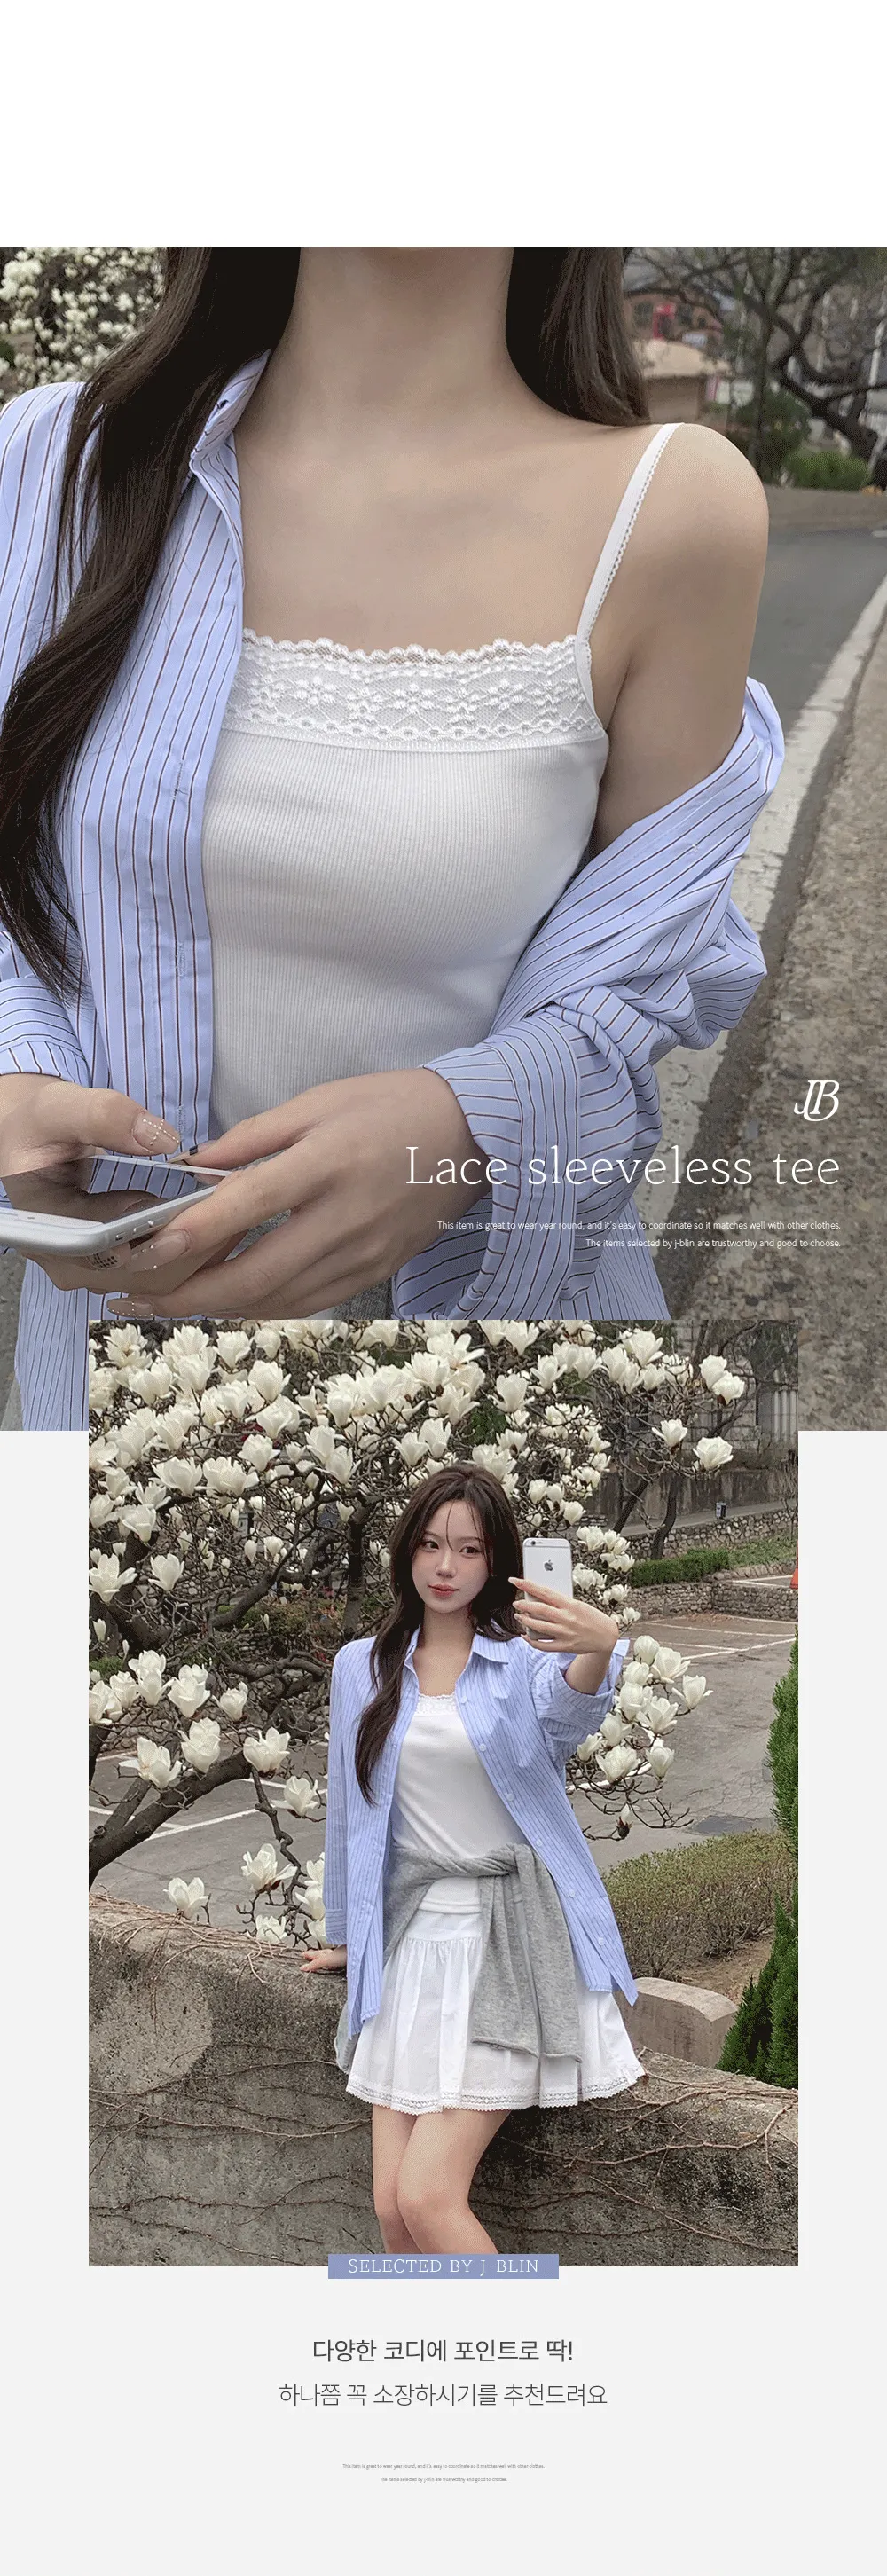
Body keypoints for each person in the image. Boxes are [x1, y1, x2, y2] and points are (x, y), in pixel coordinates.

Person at [0, 247, 781, 1424]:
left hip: (499, 1378)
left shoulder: (673, 509)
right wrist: (15, 1073)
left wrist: (468, 1130)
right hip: (105, 1379)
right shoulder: (53, 464)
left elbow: (646, 985)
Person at [302, 1465, 640, 2258]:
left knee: (428, 2197)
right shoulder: (360, 1666)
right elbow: (350, 1812)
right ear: (406, 1553)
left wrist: (599, 1648)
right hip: (411, 1945)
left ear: (497, 1562)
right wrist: (349, 1935)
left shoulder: (524, 1664)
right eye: (429, 1545)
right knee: (392, 2210)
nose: (445, 1567)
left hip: (508, 1945)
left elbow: (570, 1712)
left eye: (468, 1549)